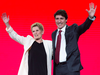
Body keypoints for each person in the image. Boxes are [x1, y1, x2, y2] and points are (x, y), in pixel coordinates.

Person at [52, 2, 97, 75]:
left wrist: (90, 18)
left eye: (61, 18)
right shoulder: (54, 34)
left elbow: (83, 27)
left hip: (71, 67)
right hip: (57, 69)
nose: (59, 21)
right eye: (57, 18)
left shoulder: (73, 29)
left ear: (66, 20)